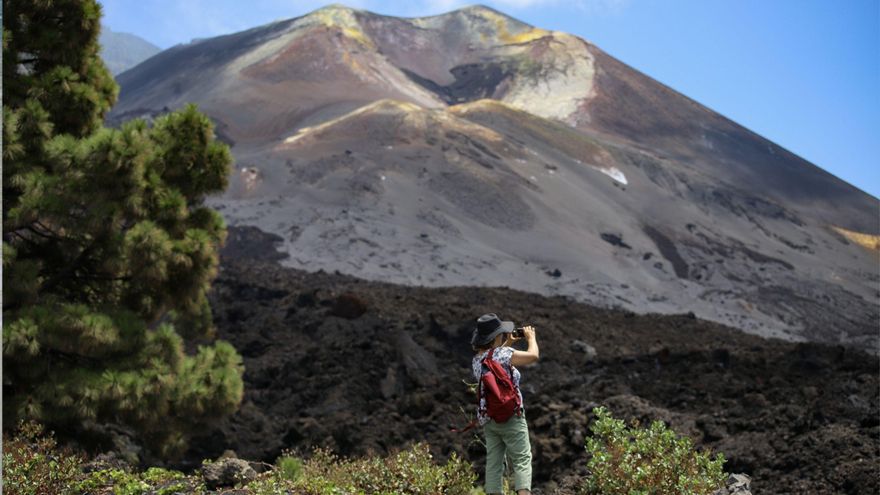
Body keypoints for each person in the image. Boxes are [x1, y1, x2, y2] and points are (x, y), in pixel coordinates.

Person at [471, 313, 539, 495]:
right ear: (496, 337)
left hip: (490, 419)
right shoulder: (504, 354)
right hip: (511, 417)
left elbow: (493, 358)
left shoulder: (477, 361)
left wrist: (508, 342)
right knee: (522, 459)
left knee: (494, 462)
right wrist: (531, 338)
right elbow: (533, 356)